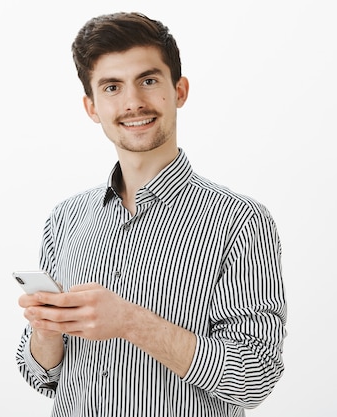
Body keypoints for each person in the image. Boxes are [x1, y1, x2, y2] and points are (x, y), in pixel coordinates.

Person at [16, 11, 287, 417]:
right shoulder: (65, 220)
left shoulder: (240, 221)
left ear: (179, 90)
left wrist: (129, 322)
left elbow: (257, 377)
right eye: (112, 87)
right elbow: (42, 377)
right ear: (92, 107)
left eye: (148, 80)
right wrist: (46, 332)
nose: (133, 103)